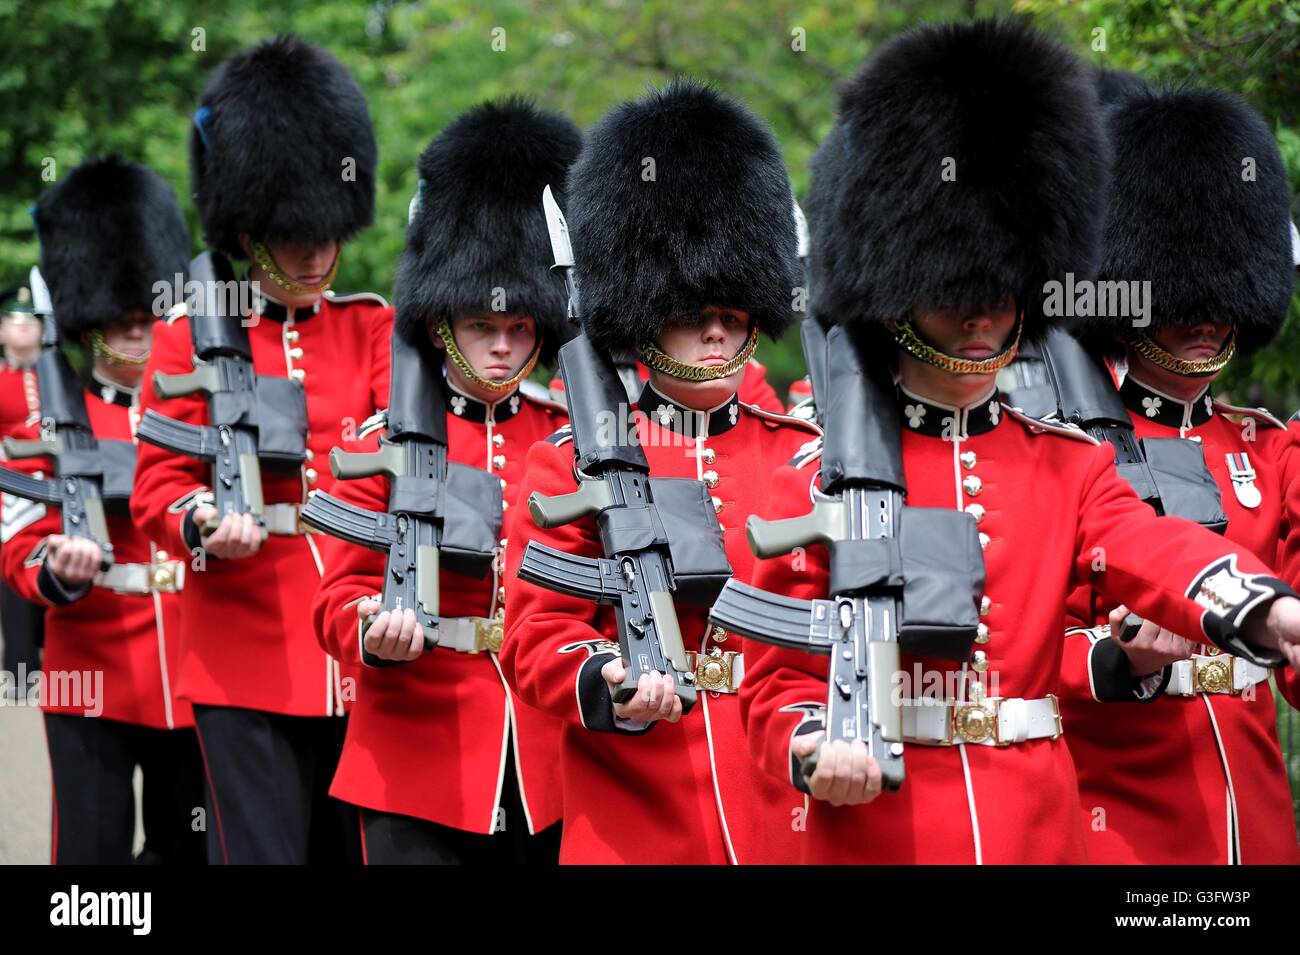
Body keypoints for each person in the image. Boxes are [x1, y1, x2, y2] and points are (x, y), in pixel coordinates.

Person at [738, 18, 1300, 864]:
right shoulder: (816, 475)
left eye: (1003, 292)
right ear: (898, 294)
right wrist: (812, 742)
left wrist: (1261, 603)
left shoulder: (1065, 462)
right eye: (955, 293)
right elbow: (772, 677)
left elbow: (1148, 545)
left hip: (1041, 830)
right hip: (881, 830)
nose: (983, 317)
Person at [501, 81, 821, 864]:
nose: (716, 331)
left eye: (733, 312)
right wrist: (603, 673)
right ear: (646, 312)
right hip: (638, 810)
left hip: (783, 804)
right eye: (690, 311)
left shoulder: (800, 452)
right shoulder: (571, 455)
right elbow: (536, 631)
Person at [131, 35, 392, 864]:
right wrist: (202, 519)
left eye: (326, 233)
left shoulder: (374, 327)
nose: (316, 253)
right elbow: (157, 485)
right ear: (248, 227)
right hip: (243, 656)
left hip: (358, 656)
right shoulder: (188, 337)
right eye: (293, 234)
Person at [311, 100, 576, 864]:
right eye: (482, 327)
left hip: (540, 756)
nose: (501, 346)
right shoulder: (383, 440)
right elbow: (333, 597)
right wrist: (370, 624)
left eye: (520, 328)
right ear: (440, 325)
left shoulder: (566, 442)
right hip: (416, 754)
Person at [1056, 83, 1300, 864]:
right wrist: (1116, 657)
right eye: (1182, 301)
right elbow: (1010, 646)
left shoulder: (1266, 452)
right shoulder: (1067, 452)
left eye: (1222, 301)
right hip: (1122, 827)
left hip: (1255, 825)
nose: (1205, 321)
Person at [1, 156, 204, 864]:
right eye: (120, 320)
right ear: (90, 322)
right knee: (90, 858)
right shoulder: (50, 422)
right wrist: (53, 567)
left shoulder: (198, 416)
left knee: (190, 848)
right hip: (88, 669)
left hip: (190, 664)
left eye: (147, 315)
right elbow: (17, 536)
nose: (138, 332)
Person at [0, 281, 46, 684]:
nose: (24, 328)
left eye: (30, 321)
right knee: (13, 568)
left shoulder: (57, 379)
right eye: (15, 321)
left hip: (52, 486)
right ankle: (19, 668)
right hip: (7, 492)